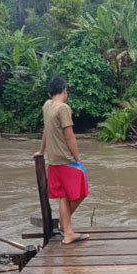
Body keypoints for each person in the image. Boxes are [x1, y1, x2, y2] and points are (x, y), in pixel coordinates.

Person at [34, 75, 90, 245]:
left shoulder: (47, 105)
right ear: (65, 91)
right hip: (66, 160)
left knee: (64, 196)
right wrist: (78, 158)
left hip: (53, 161)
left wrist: (41, 151)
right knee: (82, 192)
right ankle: (65, 227)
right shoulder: (63, 108)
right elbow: (69, 135)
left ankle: (67, 232)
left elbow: (46, 130)